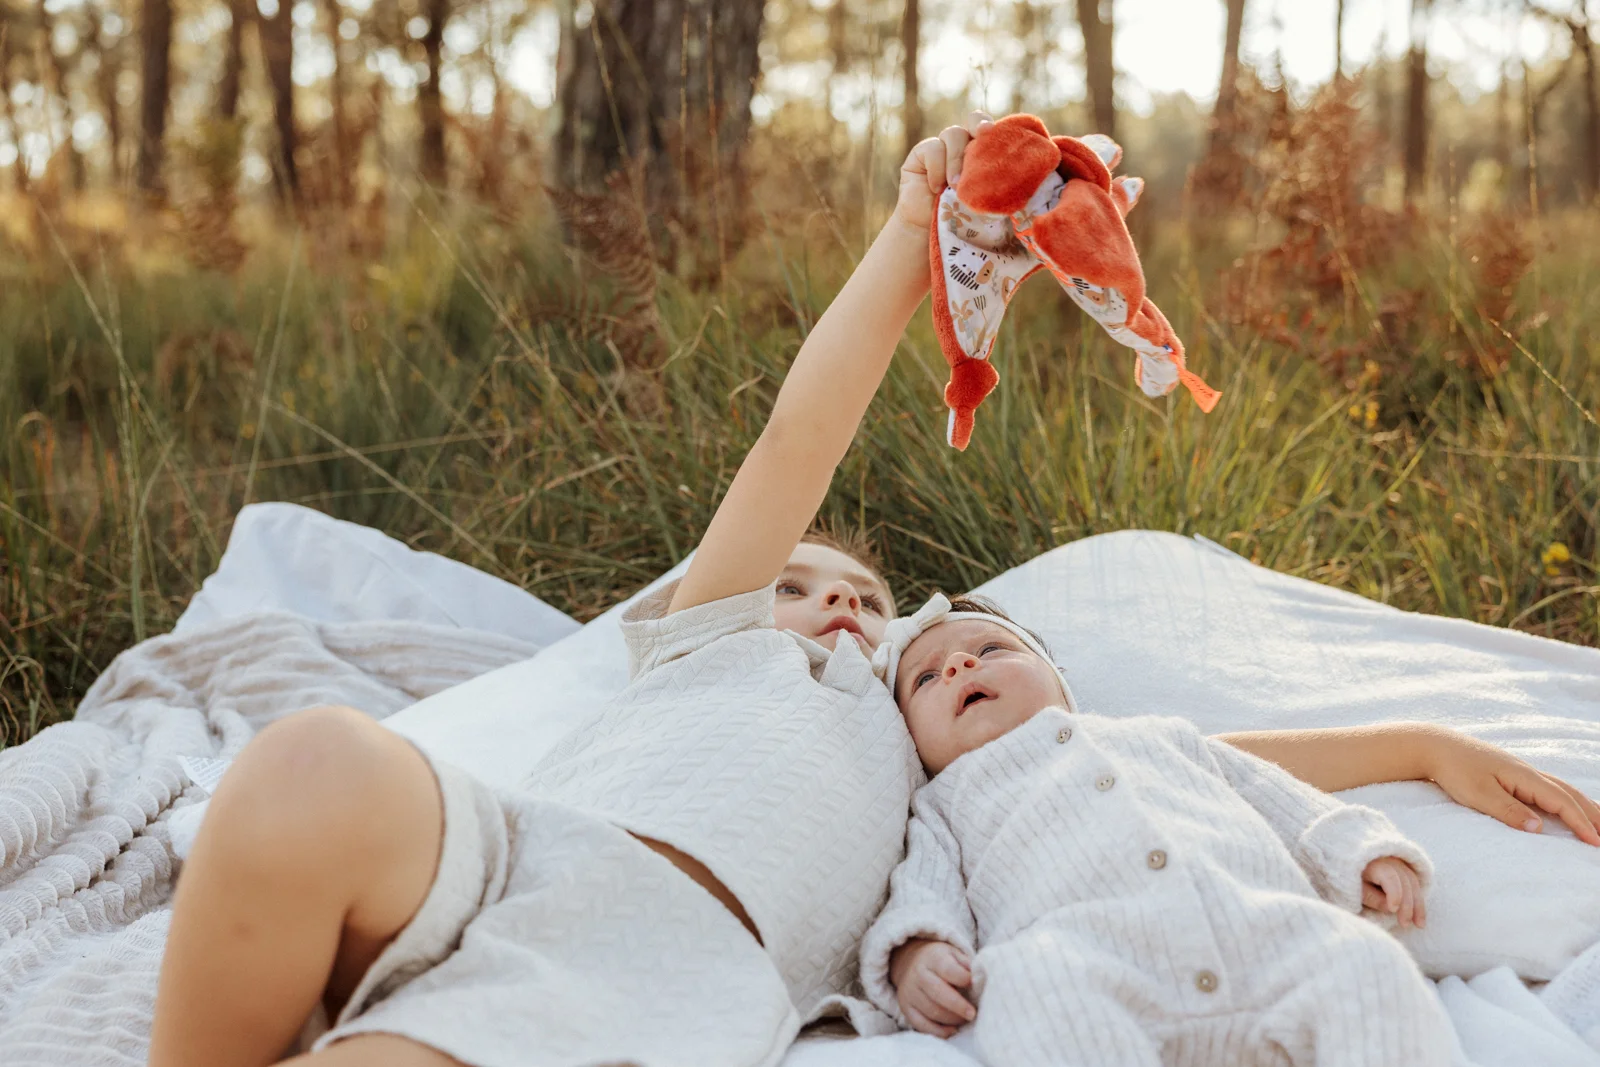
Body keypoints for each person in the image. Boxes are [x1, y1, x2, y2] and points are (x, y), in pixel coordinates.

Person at [148, 115, 1600, 1067]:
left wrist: (1414, 744)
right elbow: (799, 437)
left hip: (665, 950)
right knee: (308, 764)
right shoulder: (703, 644)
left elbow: (1173, 760)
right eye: (801, 585)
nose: (841, 608)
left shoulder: (933, 776)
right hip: (522, 842)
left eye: (872, 604)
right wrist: (910, 239)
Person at [861, 594, 1469, 1064]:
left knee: (1366, 964)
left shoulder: (1163, 737)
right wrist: (917, 953)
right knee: (1029, 988)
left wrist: (1354, 850)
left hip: (1263, 934)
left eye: (992, 650)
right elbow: (923, 887)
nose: (962, 664)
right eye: (926, 679)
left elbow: (1275, 796)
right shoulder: (943, 805)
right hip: (1091, 962)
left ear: (1060, 687)